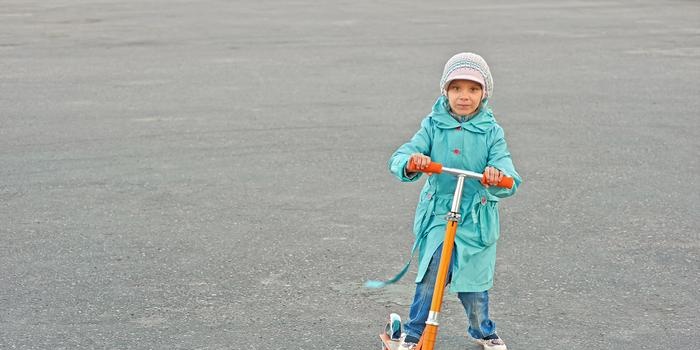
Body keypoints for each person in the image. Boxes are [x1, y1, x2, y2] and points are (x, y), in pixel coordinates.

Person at [387, 52, 522, 350]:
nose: (464, 96)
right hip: (439, 213)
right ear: (445, 91)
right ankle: (414, 331)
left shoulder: (491, 131)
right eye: (456, 88)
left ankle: (483, 330)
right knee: (431, 274)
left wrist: (498, 175)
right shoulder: (433, 125)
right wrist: (414, 161)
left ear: (484, 93)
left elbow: (508, 171)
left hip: (476, 218)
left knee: (473, 287)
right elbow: (402, 155)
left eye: (473, 89)